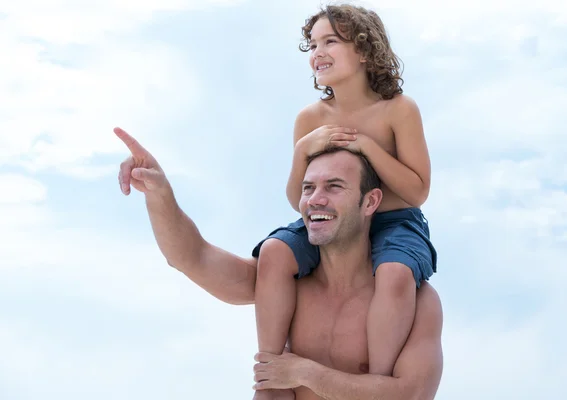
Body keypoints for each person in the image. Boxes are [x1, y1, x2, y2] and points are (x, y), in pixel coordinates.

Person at [114, 128, 443, 399]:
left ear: (370, 201)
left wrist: (305, 372)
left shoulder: (413, 300)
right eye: (308, 188)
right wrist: (159, 193)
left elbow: (410, 395)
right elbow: (191, 257)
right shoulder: (282, 284)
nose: (315, 199)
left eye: (334, 186)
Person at [253, 5, 437, 398]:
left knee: (395, 275)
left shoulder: (398, 110)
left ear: (366, 52)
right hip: (332, 222)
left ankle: (376, 380)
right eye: (313, 44)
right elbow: (296, 199)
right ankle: (272, 374)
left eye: (331, 41)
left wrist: (366, 146)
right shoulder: (310, 118)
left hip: (397, 221)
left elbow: (418, 190)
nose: (317, 51)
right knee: (273, 252)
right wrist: (303, 149)